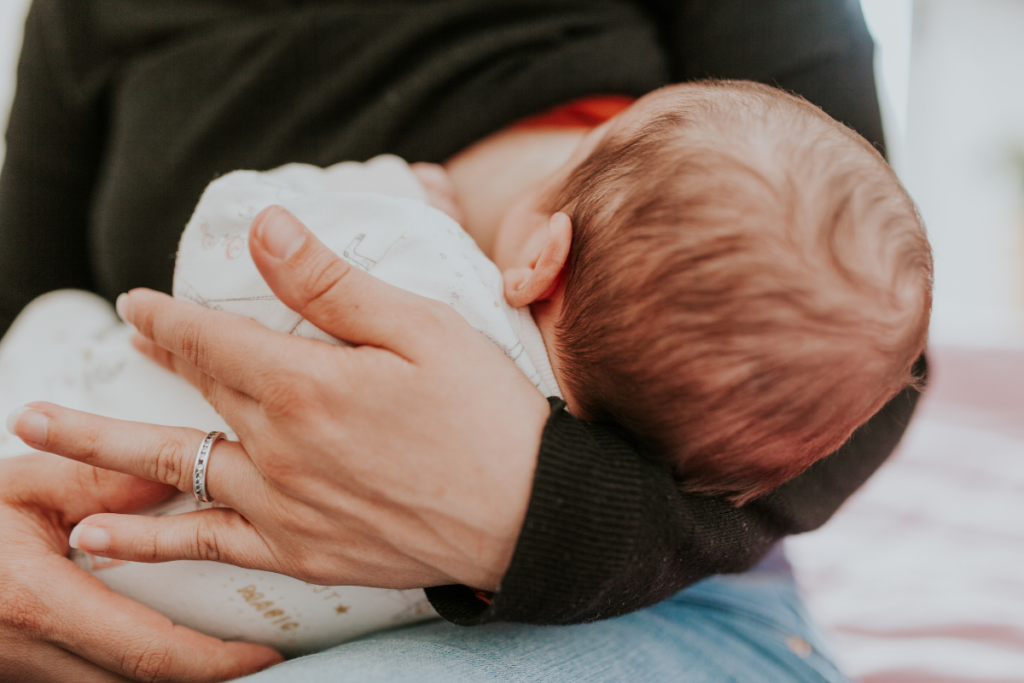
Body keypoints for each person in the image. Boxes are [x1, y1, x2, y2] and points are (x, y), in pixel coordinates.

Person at [0, 1, 926, 681]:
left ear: (536, 259)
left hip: (643, 596)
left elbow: (861, 358)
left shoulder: (398, 234)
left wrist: (528, 509)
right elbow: (19, 300)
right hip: (111, 560)